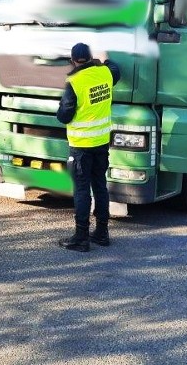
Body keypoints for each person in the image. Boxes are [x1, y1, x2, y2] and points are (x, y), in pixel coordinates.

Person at [56, 42, 121, 252]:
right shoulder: (105, 74)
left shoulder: (73, 82)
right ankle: (102, 233)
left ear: (73, 60)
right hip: (101, 143)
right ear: (91, 57)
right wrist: (104, 59)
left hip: (81, 146)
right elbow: (115, 68)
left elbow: (64, 116)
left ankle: (81, 238)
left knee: (82, 191)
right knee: (100, 186)